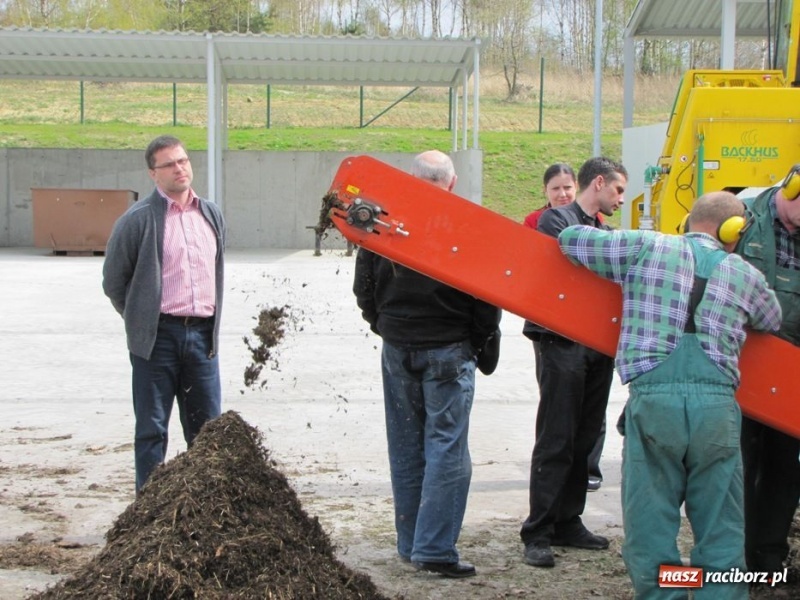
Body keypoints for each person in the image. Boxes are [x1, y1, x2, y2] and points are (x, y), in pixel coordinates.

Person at [558, 191, 782, 599]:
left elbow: (571, 238)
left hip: (655, 403)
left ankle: (669, 592)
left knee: (651, 530)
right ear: (734, 231)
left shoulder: (648, 246)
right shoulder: (743, 272)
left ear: (687, 223)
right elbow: (772, 318)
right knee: (721, 532)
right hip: (716, 409)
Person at [353, 150, 502, 579]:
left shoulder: (385, 217)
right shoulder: (468, 222)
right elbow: (487, 295)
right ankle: (434, 550)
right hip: (449, 349)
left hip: (398, 346)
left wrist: (383, 325)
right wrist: (475, 341)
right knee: (447, 448)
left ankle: (411, 543)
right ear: (452, 182)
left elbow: (363, 285)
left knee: (406, 446)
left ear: (412, 179)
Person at [102, 135, 226, 494]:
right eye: (169, 164)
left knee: (208, 431)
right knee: (152, 430)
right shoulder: (138, 220)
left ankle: (205, 510)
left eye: (183, 161)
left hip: (203, 338)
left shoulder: (211, 214)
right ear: (153, 174)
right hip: (158, 339)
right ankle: (148, 514)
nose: (179, 169)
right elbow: (114, 281)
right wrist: (141, 320)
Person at [520, 156, 626, 568]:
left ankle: (568, 520)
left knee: (584, 438)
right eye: (618, 190)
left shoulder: (603, 231)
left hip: (596, 345)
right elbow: (576, 255)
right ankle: (538, 531)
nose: (621, 198)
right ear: (598, 183)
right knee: (557, 437)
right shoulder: (556, 222)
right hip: (560, 341)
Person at [522, 162, 606, 492]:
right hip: (554, 328)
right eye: (555, 188)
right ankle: (546, 517)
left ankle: (588, 469)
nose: (562, 193)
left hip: (590, 333)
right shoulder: (539, 221)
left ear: (578, 187)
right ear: (545, 192)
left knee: (589, 413)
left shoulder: (598, 222)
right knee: (558, 413)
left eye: (567, 187)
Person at [736, 165, 800, 575]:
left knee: (784, 465)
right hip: (742, 363)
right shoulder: (741, 219)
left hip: (791, 370)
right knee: (738, 463)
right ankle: (735, 556)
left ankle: (770, 555)